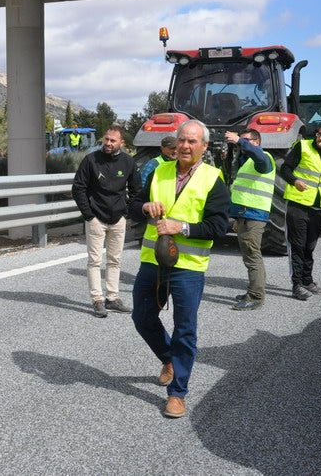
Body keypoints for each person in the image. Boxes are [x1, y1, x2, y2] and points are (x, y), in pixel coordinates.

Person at [129, 119, 230, 418]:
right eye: (182, 140)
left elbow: (218, 227)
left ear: (204, 146)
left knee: (185, 329)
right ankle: (168, 358)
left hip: (188, 267)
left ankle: (177, 393)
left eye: (192, 141)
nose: (185, 146)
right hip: (153, 262)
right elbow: (133, 204)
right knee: (142, 317)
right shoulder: (159, 171)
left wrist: (182, 227)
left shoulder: (213, 178)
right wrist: (145, 207)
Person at [72, 124, 140, 318]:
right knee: (94, 261)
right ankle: (97, 300)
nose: (108, 143)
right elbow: (78, 188)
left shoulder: (128, 162)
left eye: (113, 140)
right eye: (106, 139)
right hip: (96, 219)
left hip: (118, 219)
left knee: (114, 260)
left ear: (121, 142)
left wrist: (125, 212)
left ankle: (112, 298)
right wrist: (89, 215)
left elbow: (136, 189)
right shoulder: (90, 160)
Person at [280, 122, 321, 301]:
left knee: (310, 247)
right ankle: (296, 285)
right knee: (298, 246)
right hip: (298, 205)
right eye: (318, 134)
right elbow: (285, 168)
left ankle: (307, 281)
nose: (320, 138)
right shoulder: (303, 146)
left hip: (319, 208)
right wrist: (294, 181)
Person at [225, 129, 275, 311]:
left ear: (256, 142)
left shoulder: (263, 158)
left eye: (246, 140)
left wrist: (239, 140)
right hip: (246, 214)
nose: (241, 143)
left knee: (252, 256)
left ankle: (255, 297)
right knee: (250, 256)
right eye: (241, 140)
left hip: (254, 214)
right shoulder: (246, 161)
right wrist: (238, 217)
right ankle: (254, 291)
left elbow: (258, 157)